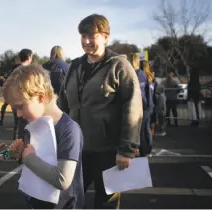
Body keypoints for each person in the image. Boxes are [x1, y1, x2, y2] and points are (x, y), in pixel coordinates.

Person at [58, 14, 143, 209]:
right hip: (76, 150)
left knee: (106, 204)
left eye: (92, 36)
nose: (86, 41)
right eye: (83, 36)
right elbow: (62, 104)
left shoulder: (119, 66)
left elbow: (133, 107)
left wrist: (126, 149)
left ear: (105, 37)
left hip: (109, 152)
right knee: (67, 200)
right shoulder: (75, 67)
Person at [5, 64, 84, 209]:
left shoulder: (68, 130)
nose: (18, 114)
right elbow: (36, 160)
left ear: (41, 97)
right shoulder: (33, 125)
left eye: (20, 107)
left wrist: (29, 159)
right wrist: (21, 153)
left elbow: (62, 180)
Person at [11, 49, 33, 140]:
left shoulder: (15, 71)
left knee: (18, 126)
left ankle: (16, 148)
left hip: (16, 103)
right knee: (27, 129)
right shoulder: (28, 71)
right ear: (29, 57)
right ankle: (23, 149)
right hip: (25, 103)